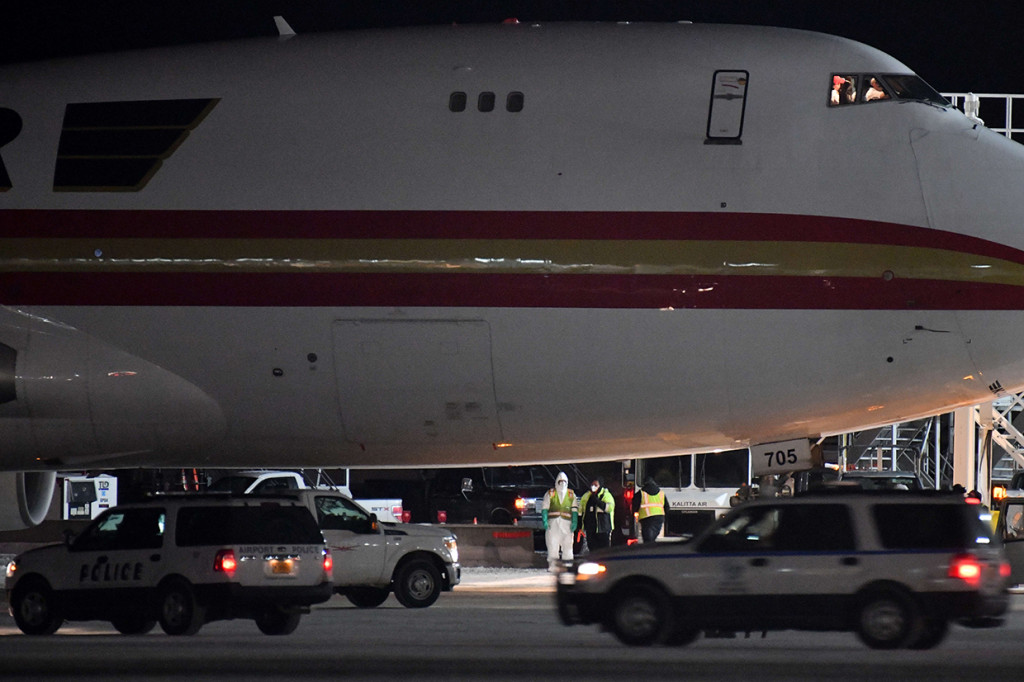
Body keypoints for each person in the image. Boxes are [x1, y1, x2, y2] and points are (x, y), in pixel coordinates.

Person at [542, 472, 578, 571]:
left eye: (564, 482)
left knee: (568, 546)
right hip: (553, 524)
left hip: (567, 525)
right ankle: (553, 566)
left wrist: (574, 521)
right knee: (552, 545)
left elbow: (574, 509)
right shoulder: (550, 493)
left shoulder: (571, 494)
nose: (562, 484)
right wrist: (545, 520)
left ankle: (568, 566)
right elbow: (545, 508)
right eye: (560, 481)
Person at [578, 478, 615, 551]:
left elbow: (609, 508)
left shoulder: (606, 495)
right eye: (592, 485)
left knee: (604, 550)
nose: (593, 487)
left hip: (602, 529)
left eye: (595, 485)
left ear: (600, 485)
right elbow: (581, 511)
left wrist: (597, 501)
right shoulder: (586, 495)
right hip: (590, 529)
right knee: (592, 549)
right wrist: (580, 526)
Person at [633, 478, 666, 543]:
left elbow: (635, 506)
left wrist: (635, 513)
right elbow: (667, 507)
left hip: (646, 518)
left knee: (647, 538)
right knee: (653, 536)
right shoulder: (661, 493)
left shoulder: (640, 493)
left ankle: (648, 550)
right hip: (659, 518)